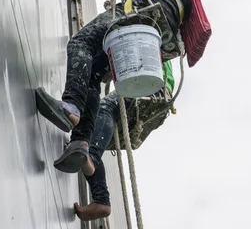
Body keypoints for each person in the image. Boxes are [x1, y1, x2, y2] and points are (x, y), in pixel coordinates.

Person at [35, 0, 191, 173]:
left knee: (80, 43)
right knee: (94, 71)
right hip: (163, 31)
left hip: (147, 10)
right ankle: (81, 142)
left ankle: (70, 107)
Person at [74, 61, 175, 221]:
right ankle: (101, 200)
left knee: (104, 109)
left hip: (152, 87)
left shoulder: (150, 40)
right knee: (93, 133)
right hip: (153, 89)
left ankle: (91, 157)